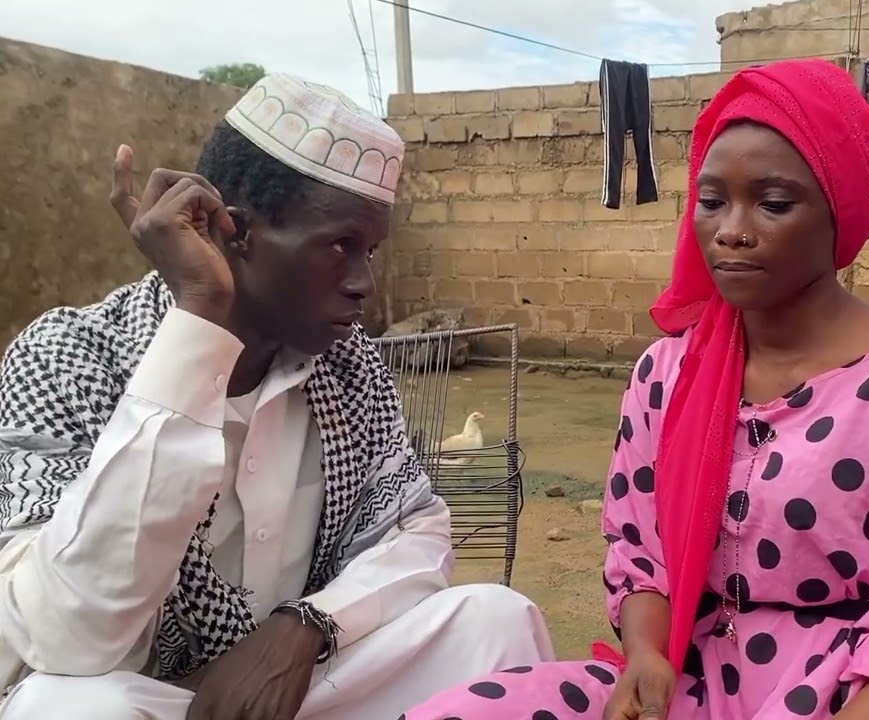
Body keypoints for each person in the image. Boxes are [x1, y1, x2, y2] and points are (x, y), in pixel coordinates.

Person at [400, 58, 869, 720]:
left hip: (854, 693)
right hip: (689, 680)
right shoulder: (669, 374)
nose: (731, 228)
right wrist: (646, 655)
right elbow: (639, 552)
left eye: (774, 203)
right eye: (711, 201)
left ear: (840, 212)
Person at [0, 74, 554, 720]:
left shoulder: (348, 367)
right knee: (61, 708)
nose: (363, 284)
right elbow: (71, 633)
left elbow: (416, 530)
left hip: (297, 684)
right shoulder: (70, 355)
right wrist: (202, 319)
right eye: (340, 246)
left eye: (370, 252)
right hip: (156, 698)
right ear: (231, 229)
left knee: (495, 621)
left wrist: (304, 628)